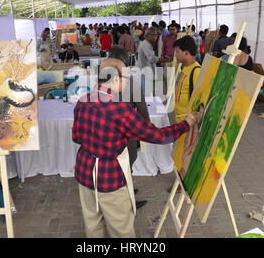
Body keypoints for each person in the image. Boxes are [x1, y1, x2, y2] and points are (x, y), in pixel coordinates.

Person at [72, 58, 202, 238]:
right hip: (109, 178)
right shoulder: (119, 108)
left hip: (84, 172)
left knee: (93, 225)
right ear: (116, 79)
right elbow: (158, 136)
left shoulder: (82, 101)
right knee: (121, 230)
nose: (127, 82)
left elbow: (76, 136)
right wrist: (186, 124)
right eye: (125, 77)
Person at [108, 47, 149, 209]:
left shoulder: (102, 84)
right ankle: (126, 201)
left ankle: (126, 191)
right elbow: (143, 111)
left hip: (108, 134)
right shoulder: (132, 84)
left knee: (119, 167)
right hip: (127, 135)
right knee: (126, 165)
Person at [173, 36, 202, 123]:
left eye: (177, 52)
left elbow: (199, 100)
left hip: (188, 121)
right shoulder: (184, 68)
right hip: (179, 118)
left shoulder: (196, 71)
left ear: (186, 53)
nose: (175, 54)